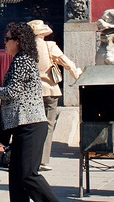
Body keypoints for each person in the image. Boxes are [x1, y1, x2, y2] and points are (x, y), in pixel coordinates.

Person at [0, 22, 59, 202]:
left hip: (30, 125)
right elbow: (16, 92)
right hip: (22, 125)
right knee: (16, 176)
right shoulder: (19, 60)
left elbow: (12, 91)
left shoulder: (23, 60)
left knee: (28, 175)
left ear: (18, 41)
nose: (5, 42)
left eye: (8, 39)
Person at [28, 19, 82, 171]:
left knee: (33, 125)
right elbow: (67, 63)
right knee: (48, 125)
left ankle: (32, 158)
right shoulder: (49, 46)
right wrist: (78, 76)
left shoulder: (25, 48)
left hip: (32, 92)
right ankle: (43, 160)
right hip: (50, 90)